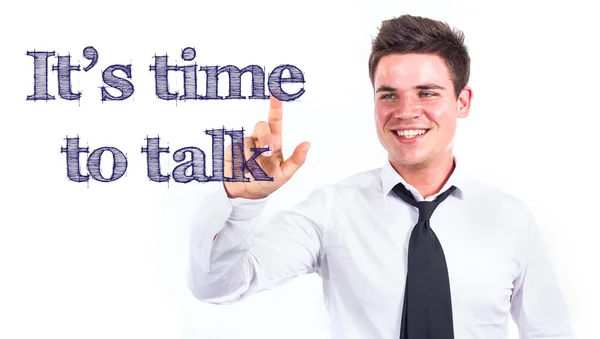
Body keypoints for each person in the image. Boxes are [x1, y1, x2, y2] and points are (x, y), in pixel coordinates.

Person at [186, 14, 575, 339]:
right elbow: (217, 286)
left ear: (462, 102)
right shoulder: (332, 211)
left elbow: (550, 331)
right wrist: (242, 204)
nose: (406, 111)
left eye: (427, 93)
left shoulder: (510, 219)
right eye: (389, 95)